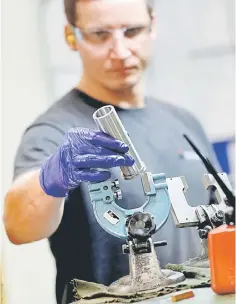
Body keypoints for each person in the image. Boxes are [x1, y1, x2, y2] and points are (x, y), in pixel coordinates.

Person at [3, 0, 219, 303]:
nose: (119, 50)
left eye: (132, 31)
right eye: (99, 34)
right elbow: (18, 226)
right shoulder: (55, 130)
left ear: (152, 25)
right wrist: (50, 178)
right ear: (71, 36)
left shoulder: (184, 122)